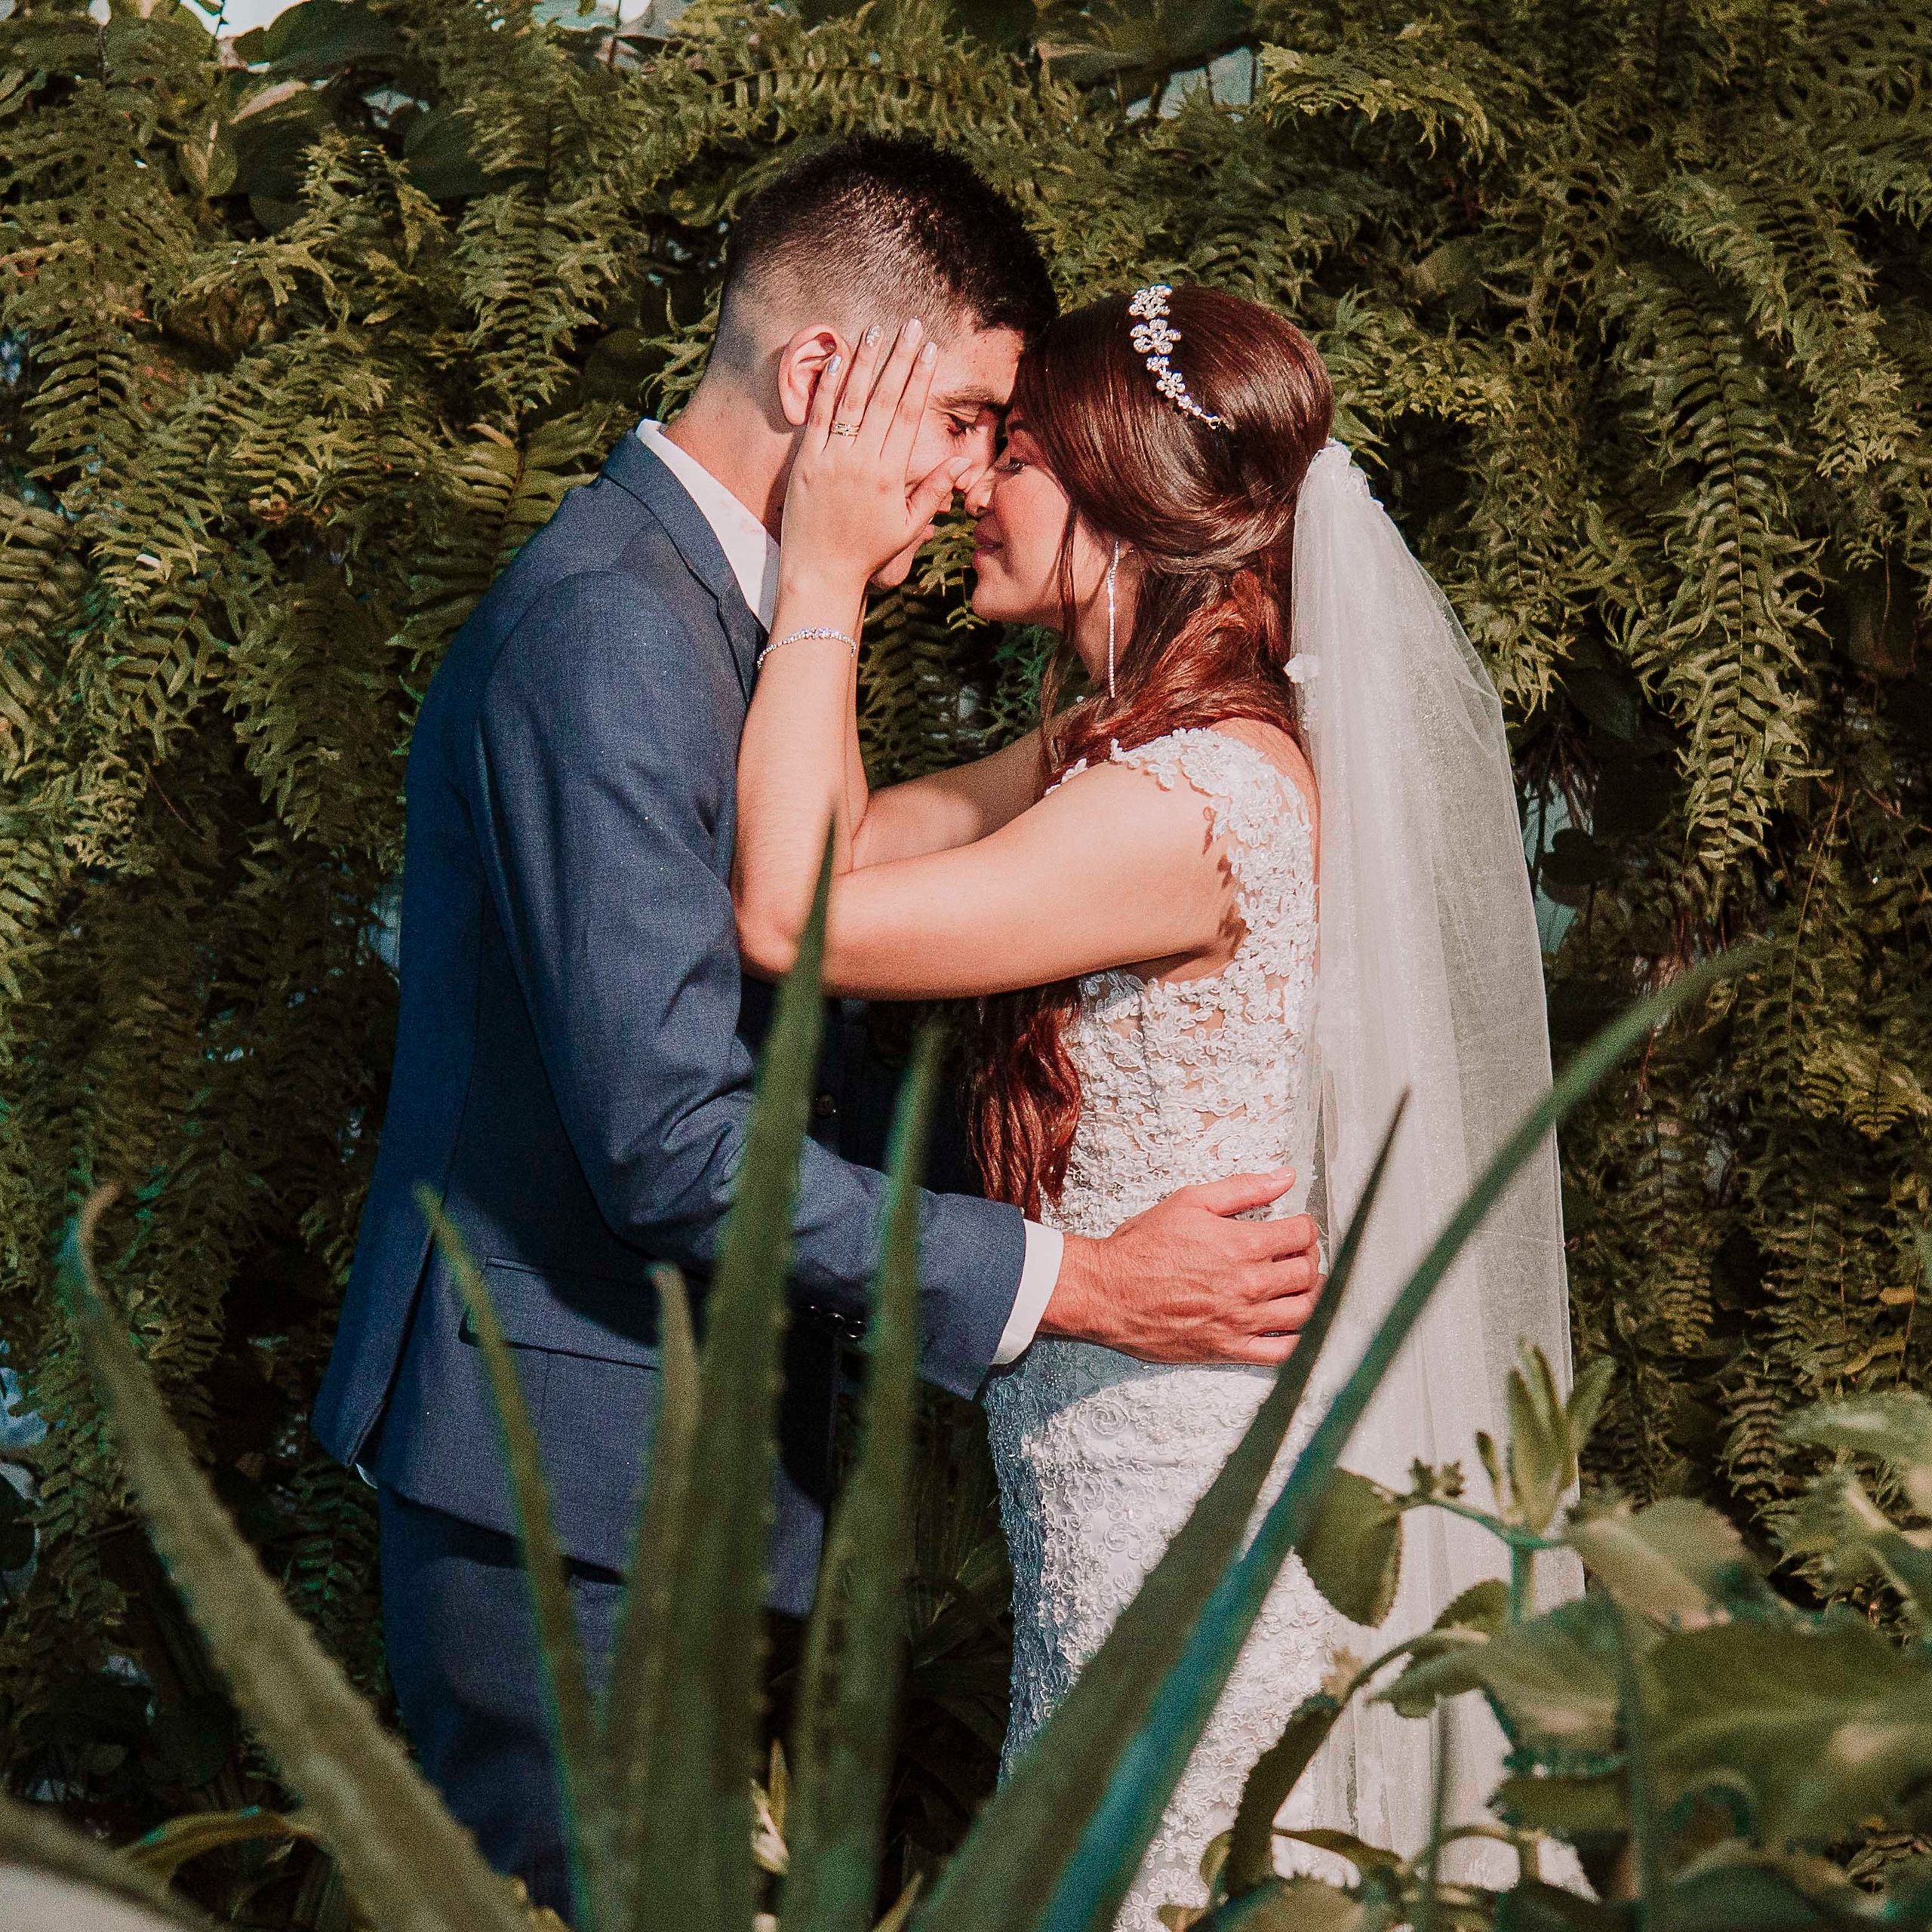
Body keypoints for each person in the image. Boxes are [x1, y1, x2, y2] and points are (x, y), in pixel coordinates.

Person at [310, 140, 1324, 1918]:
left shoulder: (733, 619)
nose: (967, 476)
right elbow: (683, 1139)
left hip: (676, 1463)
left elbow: (823, 955)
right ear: (814, 382)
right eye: (954, 419)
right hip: (568, 1481)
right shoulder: (618, 627)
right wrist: (1068, 1279)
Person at [732, 284, 1571, 1925]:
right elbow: (853, 843)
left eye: (1017, 453)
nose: (975, 486)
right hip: (1112, 1473)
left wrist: (822, 575)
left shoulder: (1178, 808)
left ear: (1118, 491)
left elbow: (787, 920)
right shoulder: (1112, 755)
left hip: (1181, 1488)